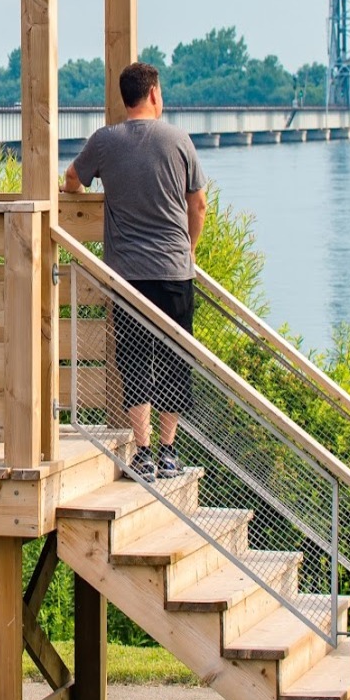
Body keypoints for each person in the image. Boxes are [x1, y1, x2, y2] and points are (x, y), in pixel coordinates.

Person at [62, 62, 208, 482]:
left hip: (127, 274)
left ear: (126, 98)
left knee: (134, 358)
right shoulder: (179, 140)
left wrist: (75, 189)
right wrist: (189, 250)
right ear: (155, 95)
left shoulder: (105, 141)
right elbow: (197, 204)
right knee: (175, 358)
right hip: (174, 270)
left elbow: (73, 179)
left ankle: (141, 451)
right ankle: (168, 451)